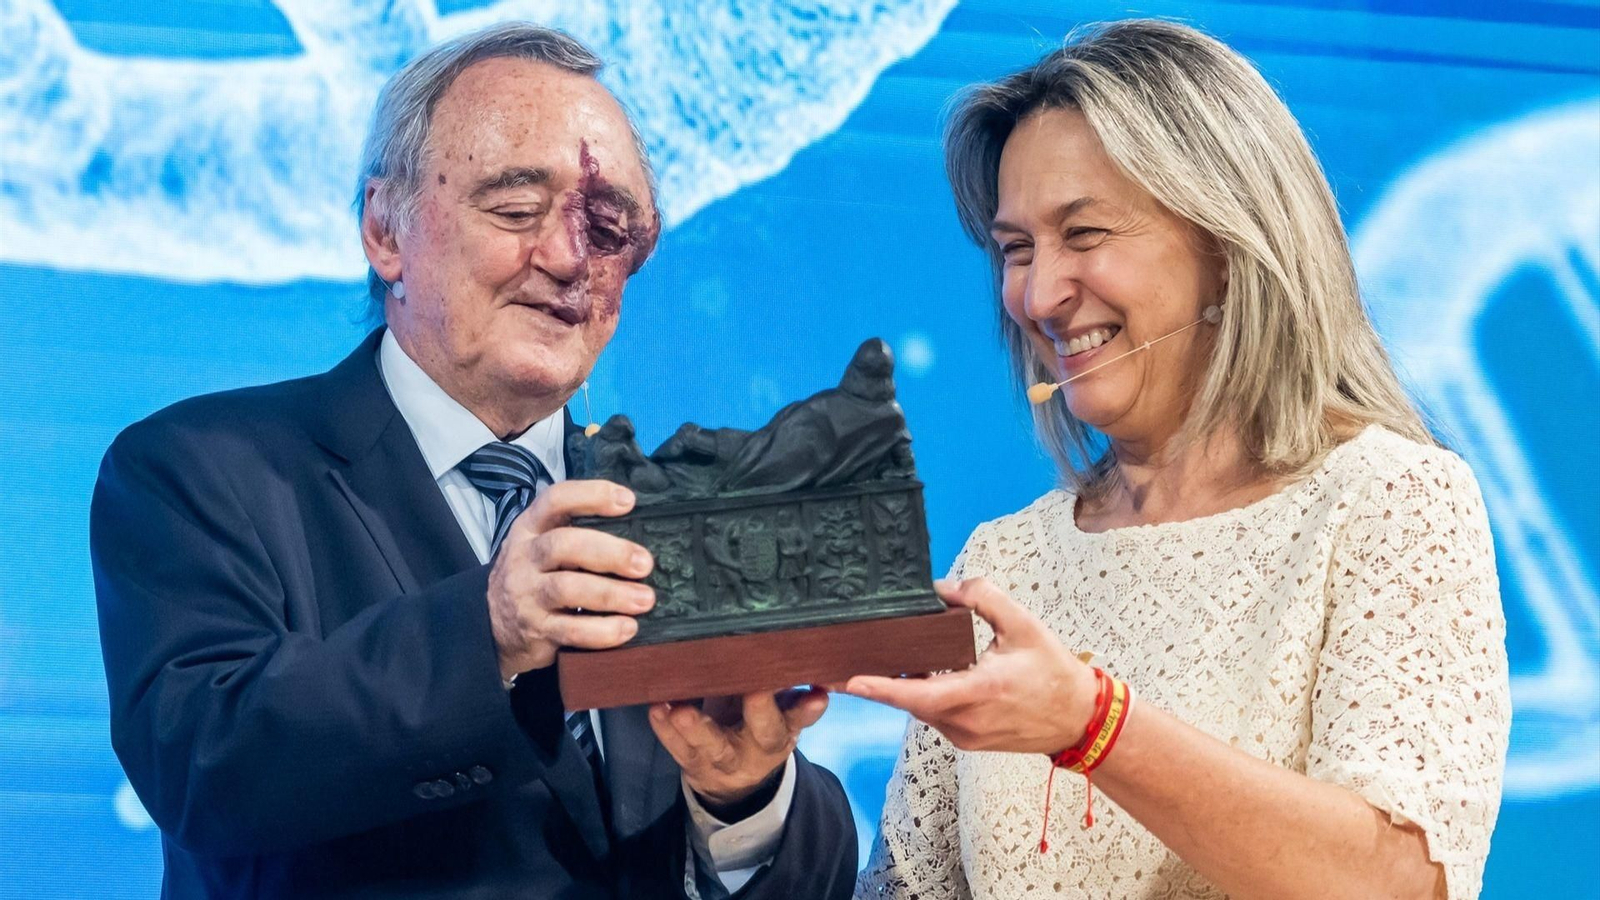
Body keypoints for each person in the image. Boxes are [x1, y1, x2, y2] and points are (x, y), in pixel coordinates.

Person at [90, 22, 856, 900]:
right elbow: (203, 764)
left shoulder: (668, 512)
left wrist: (744, 798)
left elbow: (820, 874)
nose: (568, 259)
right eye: (517, 211)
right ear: (385, 229)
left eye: (608, 229)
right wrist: (487, 631)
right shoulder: (200, 470)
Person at [848, 19, 1509, 900]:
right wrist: (739, 794)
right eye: (1016, 250)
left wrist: (1094, 725)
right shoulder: (1004, 563)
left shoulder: (1392, 504)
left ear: (1227, 246)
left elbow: (1396, 883)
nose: (1039, 295)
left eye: (1085, 234)